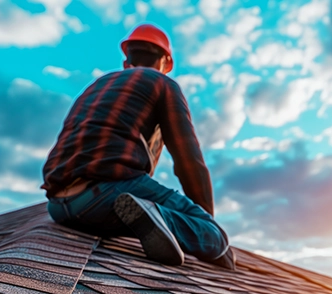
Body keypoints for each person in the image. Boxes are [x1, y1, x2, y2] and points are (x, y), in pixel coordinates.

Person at [42, 24, 235, 270]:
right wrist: (204, 221)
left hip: (59, 207)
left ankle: (150, 216)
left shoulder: (97, 84)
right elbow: (189, 161)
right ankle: (158, 215)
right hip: (106, 197)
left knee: (132, 210)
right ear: (165, 63)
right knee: (214, 236)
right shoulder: (163, 84)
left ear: (126, 61)